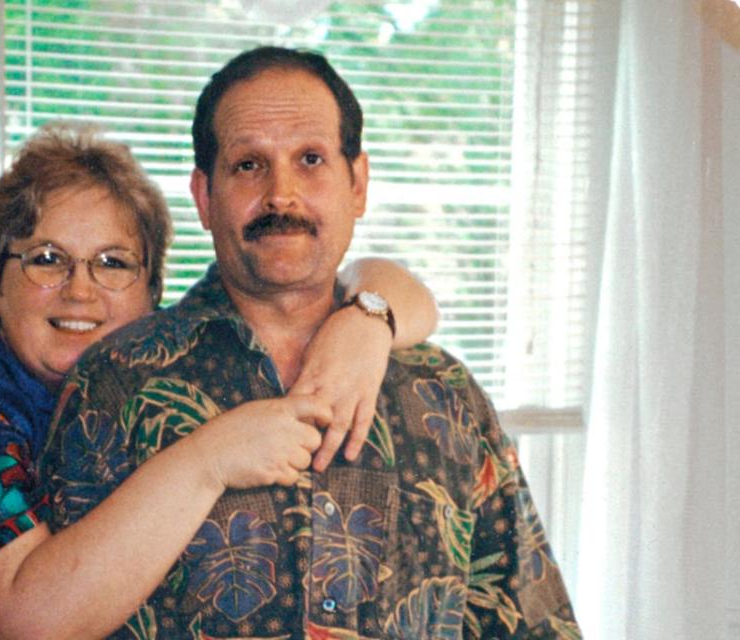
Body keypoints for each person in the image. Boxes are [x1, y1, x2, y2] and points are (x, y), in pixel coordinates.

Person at [41, 47, 581, 639]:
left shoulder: (444, 396)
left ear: (357, 185)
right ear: (204, 196)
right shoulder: (115, 386)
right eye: (249, 165)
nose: (281, 195)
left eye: (311, 159)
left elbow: (529, 623)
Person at [0, 123, 440, 639]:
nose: (80, 290)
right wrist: (210, 459)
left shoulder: (160, 372)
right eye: (45, 258)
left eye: (113, 263)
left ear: (152, 294)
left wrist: (366, 321)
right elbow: (29, 618)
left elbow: (398, 290)